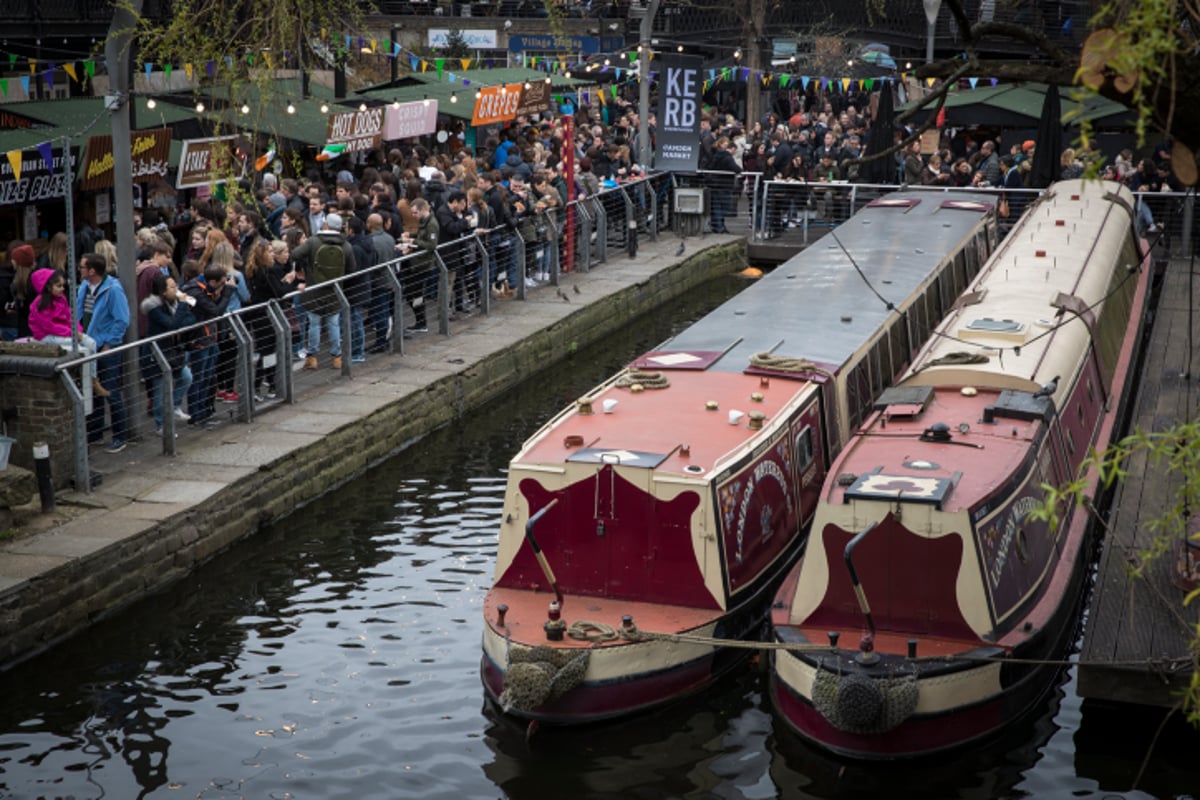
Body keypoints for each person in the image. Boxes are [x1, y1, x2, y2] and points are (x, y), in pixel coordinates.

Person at [28, 267, 108, 400]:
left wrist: (78, 331)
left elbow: (70, 317)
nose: (62, 289)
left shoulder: (62, 299)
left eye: (62, 285)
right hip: (46, 336)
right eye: (58, 286)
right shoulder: (38, 304)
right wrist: (72, 333)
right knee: (82, 349)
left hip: (63, 333)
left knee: (92, 343)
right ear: (48, 287)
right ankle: (85, 382)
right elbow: (50, 326)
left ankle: (93, 379)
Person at [77, 253, 130, 453]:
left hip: (105, 347)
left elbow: (122, 319)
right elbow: (80, 312)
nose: (79, 269)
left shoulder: (113, 290)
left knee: (110, 390)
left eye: (82, 267)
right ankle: (95, 433)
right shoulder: (84, 286)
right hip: (88, 344)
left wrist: (109, 343)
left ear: (92, 271)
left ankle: (119, 436)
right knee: (92, 390)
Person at [290, 212, 355, 369]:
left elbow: (294, 254)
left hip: (314, 288)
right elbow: (352, 269)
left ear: (325, 225)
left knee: (314, 324)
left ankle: (312, 357)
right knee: (333, 324)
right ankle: (336, 357)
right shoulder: (346, 245)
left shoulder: (313, 241)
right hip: (335, 291)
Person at [140, 272, 195, 434]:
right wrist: (184, 305)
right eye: (172, 287)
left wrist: (182, 308)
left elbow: (190, 319)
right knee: (160, 389)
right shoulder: (154, 307)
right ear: (163, 291)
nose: (176, 289)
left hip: (172, 351)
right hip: (156, 353)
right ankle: (161, 424)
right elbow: (172, 325)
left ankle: (175, 405)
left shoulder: (173, 304)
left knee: (186, 377)